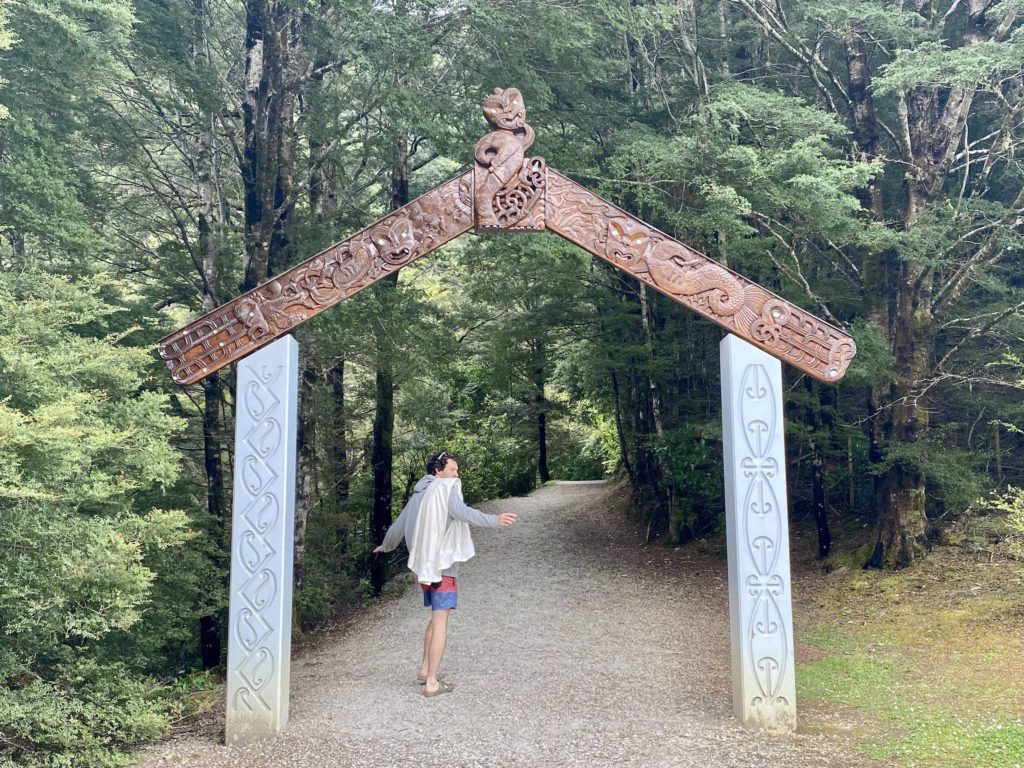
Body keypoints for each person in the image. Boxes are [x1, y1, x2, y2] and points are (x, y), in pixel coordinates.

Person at [372, 451, 517, 697]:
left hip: (423, 566)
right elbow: (462, 512)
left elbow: (398, 526)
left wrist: (385, 546)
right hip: (442, 566)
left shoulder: (419, 493)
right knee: (441, 622)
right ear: (438, 471)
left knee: (434, 617)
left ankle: (424, 668)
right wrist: (494, 520)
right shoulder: (445, 489)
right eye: (452, 470)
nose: (456, 475)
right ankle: (431, 683)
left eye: (456, 471)